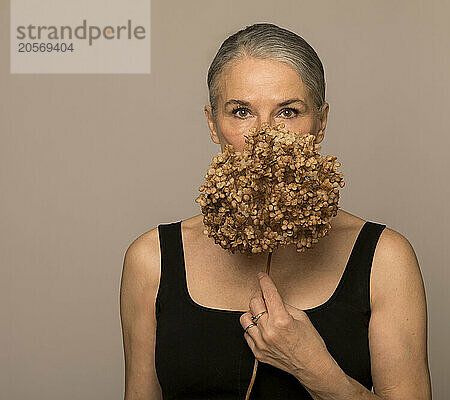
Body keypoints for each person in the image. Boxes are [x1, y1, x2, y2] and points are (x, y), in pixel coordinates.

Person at [120, 23, 431, 400]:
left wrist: (314, 368)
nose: (264, 136)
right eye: (240, 112)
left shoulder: (385, 258)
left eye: (287, 111)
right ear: (213, 124)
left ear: (320, 123)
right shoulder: (151, 260)